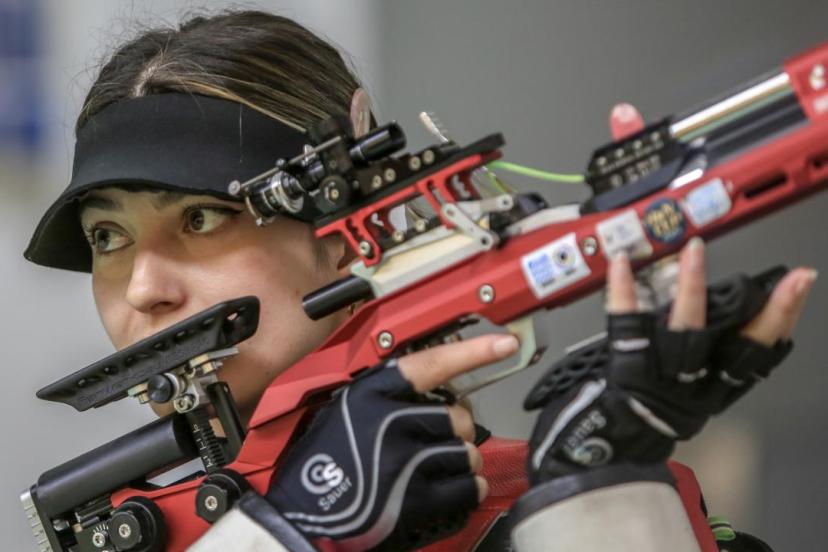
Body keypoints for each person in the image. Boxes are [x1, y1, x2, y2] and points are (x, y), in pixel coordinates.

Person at [23, 10, 814, 552]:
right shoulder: (133, 529)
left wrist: (600, 488)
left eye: (200, 219)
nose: (142, 287)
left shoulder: (518, 497)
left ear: (343, 239)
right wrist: (293, 530)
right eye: (107, 238)